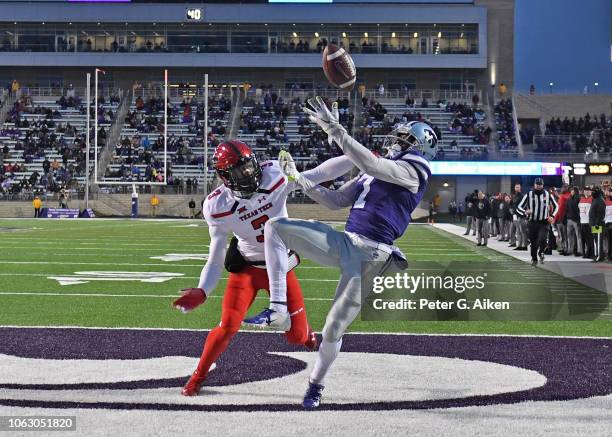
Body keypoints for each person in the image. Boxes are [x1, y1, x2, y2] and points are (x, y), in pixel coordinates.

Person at [244, 97, 438, 409]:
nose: (396, 141)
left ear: (420, 146)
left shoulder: (415, 170)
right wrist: (298, 178)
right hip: (345, 242)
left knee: (333, 327)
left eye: (405, 138)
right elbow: (335, 201)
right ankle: (278, 310)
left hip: (371, 258)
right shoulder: (374, 172)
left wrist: (335, 130)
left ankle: (315, 384)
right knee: (276, 228)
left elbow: (373, 163)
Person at [172, 139, 354, 396]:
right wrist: (203, 290)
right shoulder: (217, 206)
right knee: (227, 326)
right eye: (240, 170)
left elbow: (318, 174)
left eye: (249, 166)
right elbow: (215, 256)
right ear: (225, 176)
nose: (248, 173)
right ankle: (198, 376)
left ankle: (307, 336)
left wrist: (362, 158)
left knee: (296, 336)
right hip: (246, 270)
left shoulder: (274, 175)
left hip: (279, 270)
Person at [517, 178, 558, 266]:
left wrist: (552, 216)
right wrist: (525, 212)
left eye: (540, 184)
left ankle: (541, 251)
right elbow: (519, 207)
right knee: (533, 241)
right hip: (532, 222)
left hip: (544, 221)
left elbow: (556, 206)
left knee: (542, 239)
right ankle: (534, 258)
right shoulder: (529, 194)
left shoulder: (548, 194)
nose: (539, 186)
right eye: (537, 184)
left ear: (543, 185)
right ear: (534, 185)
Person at [553, 185, 571, 255]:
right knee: (567, 236)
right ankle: (567, 248)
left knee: (563, 235)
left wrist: (556, 218)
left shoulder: (562, 197)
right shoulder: (569, 196)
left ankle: (565, 248)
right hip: (568, 218)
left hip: (562, 219)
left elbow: (560, 209)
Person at [589, 186, 606, 262]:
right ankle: (596, 255)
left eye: (593, 191)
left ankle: (599, 256)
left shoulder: (600, 200)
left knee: (598, 241)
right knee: (596, 240)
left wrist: (596, 223)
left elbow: (601, 214)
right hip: (594, 224)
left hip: (598, 224)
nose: (592, 192)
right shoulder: (596, 199)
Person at [510, 184, 528, 250]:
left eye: (518, 187)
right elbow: (512, 204)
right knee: (518, 231)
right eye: (516, 187)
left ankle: (524, 245)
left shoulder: (522, 196)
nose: (517, 188)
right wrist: (512, 210)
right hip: (516, 215)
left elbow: (522, 206)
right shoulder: (514, 196)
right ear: (514, 188)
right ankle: (520, 245)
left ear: (520, 188)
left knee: (522, 231)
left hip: (521, 215)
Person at [565, 187, 582, 256]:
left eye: (573, 191)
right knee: (569, 236)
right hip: (569, 219)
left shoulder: (579, 199)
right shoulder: (569, 199)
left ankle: (579, 251)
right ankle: (570, 250)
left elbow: (579, 210)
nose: (572, 192)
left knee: (578, 236)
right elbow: (567, 209)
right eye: (571, 190)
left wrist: (578, 218)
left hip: (576, 220)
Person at [578, 187, 593, 259]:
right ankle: (584, 253)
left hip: (588, 223)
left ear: (590, 192)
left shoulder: (592, 199)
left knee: (589, 239)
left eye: (588, 191)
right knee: (583, 239)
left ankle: (589, 253)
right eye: (585, 191)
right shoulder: (581, 199)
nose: (587, 192)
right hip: (582, 222)